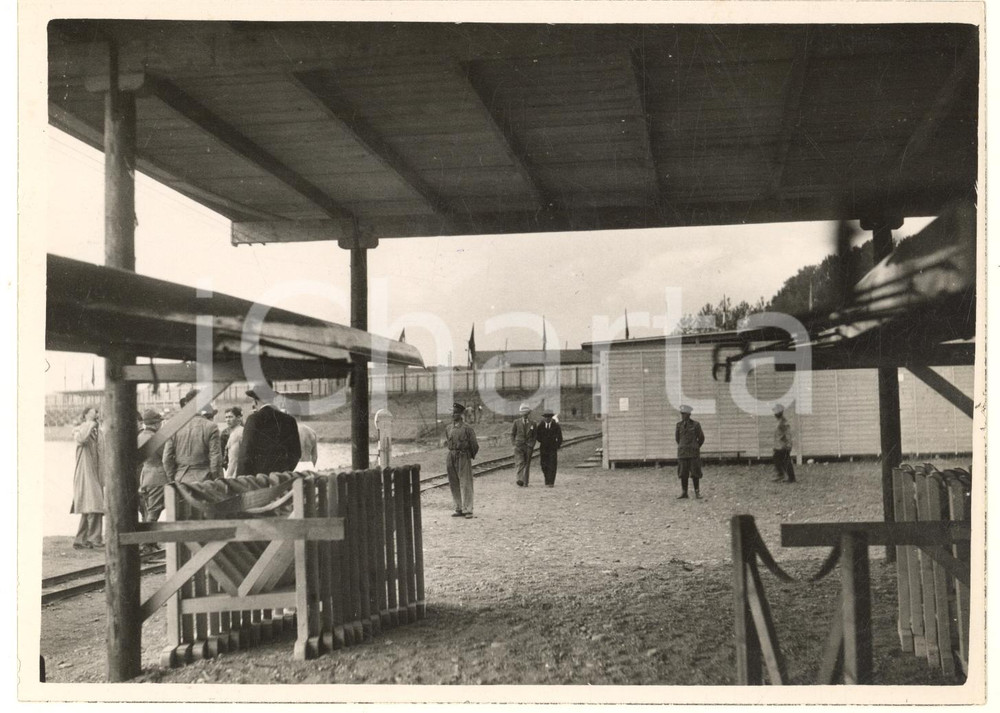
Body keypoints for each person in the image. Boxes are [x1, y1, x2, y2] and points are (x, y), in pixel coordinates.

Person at [237, 382, 302, 475]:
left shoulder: (253, 419)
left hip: (258, 478)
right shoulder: (289, 420)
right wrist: (284, 471)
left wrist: (242, 478)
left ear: (256, 401)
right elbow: (296, 453)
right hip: (281, 478)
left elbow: (245, 453)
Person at [163, 389, 223, 483]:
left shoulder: (174, 427)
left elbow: (166, 459)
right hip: (204, 480)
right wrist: (215, 480)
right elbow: (215, 459)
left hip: (180, 479)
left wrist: (172, 478)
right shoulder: (211, 427)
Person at [71, 406, 104, 550]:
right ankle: (94, 539)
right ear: (84, 415)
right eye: (92, 413)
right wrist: (90, 423)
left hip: (97, 472)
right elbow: (82, 439)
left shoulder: (99, 432)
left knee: (89, 505)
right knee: (95, 504)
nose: (96, 415)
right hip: (85, 472)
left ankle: (81, 539)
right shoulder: (78, 430)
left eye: (96, 413)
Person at [137, 408, 168, 554]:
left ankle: (151, 542)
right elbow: (166, 457)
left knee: (147, 510)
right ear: (156, 424)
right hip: (158, 476)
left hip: (145, 475)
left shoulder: (140, 436)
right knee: (154, 512)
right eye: (159, 422)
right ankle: (145, 543)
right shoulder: (156, 438)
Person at [445, 403, 479, 519]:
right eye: (452, 413)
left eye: (456, 413)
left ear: (460, 414)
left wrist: (468, 455)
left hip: (463, 456)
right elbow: (448, 440)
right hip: (451, 456)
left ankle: (468, 509)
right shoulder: (448, 428)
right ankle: (458, 507)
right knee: (453, 482)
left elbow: (474, 445)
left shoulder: (467, 428)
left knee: (466, 483)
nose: (453, 415)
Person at [674, 404, 705, 499]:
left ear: (689, 414)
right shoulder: (679, 425)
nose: (683, 416)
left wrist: (695, 446)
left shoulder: (696, 425)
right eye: (682, 414)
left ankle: (697, 492)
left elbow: (701, 438)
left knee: (695, 473)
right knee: (683, 473)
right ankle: (684, 492)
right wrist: (683, 446)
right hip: (683, 453)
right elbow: (677, 439)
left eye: (684, 414)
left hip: (693, 454)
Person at [535, 408, 563, 487]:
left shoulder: (556, 426)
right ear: (544, 417)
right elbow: (537, 436)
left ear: (551, 417)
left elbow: (560, 438)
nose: (547, 418)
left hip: (552, 449)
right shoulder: (540, 426)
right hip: (543, 448)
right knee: (544, 465)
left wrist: (556, 446)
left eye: (549, 417)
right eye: (546, 417)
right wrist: (543, 441)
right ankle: (547, 479)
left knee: (552, 465)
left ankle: (551, 482)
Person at [511, 403, 536, 487]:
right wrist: (514, 444)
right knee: (520, 462)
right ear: (521, 414)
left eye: (526, 414)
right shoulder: (516, 422)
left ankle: (526, 482)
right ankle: (519, 479)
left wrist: (532, 445)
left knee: (527, 463)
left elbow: (535, 435)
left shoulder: (533, 423)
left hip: (528, 446)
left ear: (528, 413)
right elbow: (512, 434)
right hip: (519, 445)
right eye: (523, 413)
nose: (525, 415)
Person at [772, 404, 797, 483]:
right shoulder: (779, 421)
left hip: (783, 445)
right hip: (779, 445)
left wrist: (789, 444)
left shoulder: (783, 422)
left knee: (784, 461)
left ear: (780, 412)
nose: (774, 414)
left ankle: (785, 476)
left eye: (776, 412)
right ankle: (785, 476)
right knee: (780, 460)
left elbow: (788, 434)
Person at [222, 407, 244, 478]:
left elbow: (233, 460)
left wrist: (229, 477)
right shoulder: (242, 430)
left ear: (238, 418)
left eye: (230, 417)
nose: (228, 420)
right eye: (226, 417)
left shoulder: (236, 434)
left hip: (236, 472)